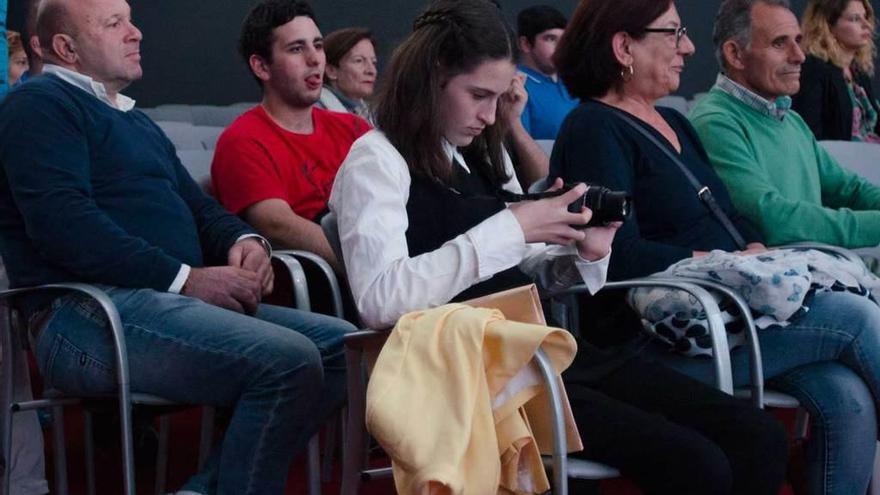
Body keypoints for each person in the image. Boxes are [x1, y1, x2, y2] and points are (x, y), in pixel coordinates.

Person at [329, 0, 788, 493]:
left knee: (757, 435)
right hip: (476, 379)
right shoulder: (375, 158)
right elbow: (379, 299)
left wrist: (586, 252)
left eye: (499, 98)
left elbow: (532, 273)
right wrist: (512, 225)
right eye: (478, 95)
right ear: (432, 77)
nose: (489, 116)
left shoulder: (479, 152)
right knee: (697, 462)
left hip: (548, 353)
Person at [0, 0, 353, 493]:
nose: (136, 33)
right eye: (114, 23)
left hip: (158, 305)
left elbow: (198, 208)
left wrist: (245, 240)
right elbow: (65, 227)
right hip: (84, 314)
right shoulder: (38, 105)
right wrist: (188, 278)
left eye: (131, 18)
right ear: (66, 48)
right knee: (290, 360)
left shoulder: (135, 121)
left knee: (342, 346)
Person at [551, 0, 880, 493]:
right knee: (854, 316)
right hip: (661, 336)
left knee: (843, 392)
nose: (687, 46)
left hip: (731, 316)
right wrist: (719, 263)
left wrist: (749, 246)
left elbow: (730, 217)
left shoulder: (675, 123)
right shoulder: (593, 128)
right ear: (624, 47)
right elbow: (615, 257)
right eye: (674, 32)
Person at [689, 0, 880, 251]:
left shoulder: (790, 119)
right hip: (782, 284)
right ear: (735, 54)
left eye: (797, 41)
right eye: (779, 43)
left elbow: (849, 189)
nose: (799, 56)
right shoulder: (714, 123)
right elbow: (772, 219)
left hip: (815, 273)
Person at [211, 1, 370, 273]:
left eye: (318, 45)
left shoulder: (354, 127)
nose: (314, 59)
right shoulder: (242, 140)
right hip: (328, 284)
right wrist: (370, 264)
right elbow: (276, 225)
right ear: (261, 67)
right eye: (297, 49)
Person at [793, 0, 879, 141]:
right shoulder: (813, 69)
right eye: (855, 19)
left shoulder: (858, 71)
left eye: (866, 17)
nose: (867, 25)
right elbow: (810, 137)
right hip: (840, 160)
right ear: (827, 25)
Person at [516, 5, 577, 140]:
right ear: (525, 44)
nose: (561, 47)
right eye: (551, 39)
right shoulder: (516, 85)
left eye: (564, 40)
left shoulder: (575, 81)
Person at [316, 27, 376, 122]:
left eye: (373, 62)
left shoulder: (373, 115)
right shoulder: (313, 113)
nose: (371, 70)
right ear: (331, 71)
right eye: (359, 61)